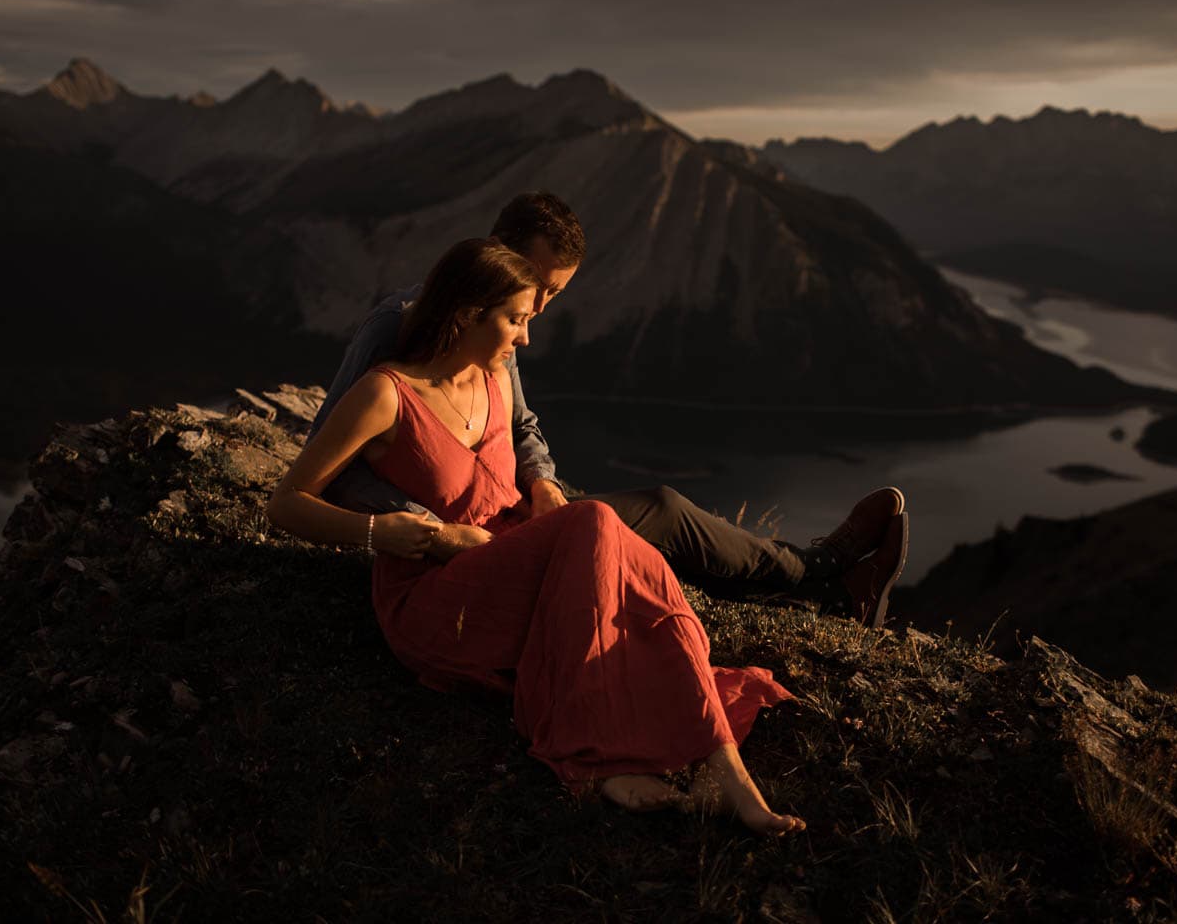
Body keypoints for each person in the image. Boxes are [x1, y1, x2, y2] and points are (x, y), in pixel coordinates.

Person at [268, 238, 805, 833]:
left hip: (511, 568)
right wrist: (380, 530)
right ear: (469, 312)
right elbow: (286, 504)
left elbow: (521, 454)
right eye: (517, 319)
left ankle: (723, 764)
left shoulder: (494, 374)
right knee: (595, 520)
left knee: (637, 557)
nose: (526, 337)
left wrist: (541, 488)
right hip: (434, 599)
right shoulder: (383, 394)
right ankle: (594, 758)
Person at [310, 192, 911, 628]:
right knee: (629, 556)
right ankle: (825, 582)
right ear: (495, 260)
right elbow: (328, 462)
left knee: (664, 513)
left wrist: (542, 480)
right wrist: (419, 527)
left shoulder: (504, 328)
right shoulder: (399, 328)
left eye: (554, 294)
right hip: (458, 553)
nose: (538, 312)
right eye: (536, 288)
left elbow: (519, 424)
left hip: (513, 517)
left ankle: (821, 580)